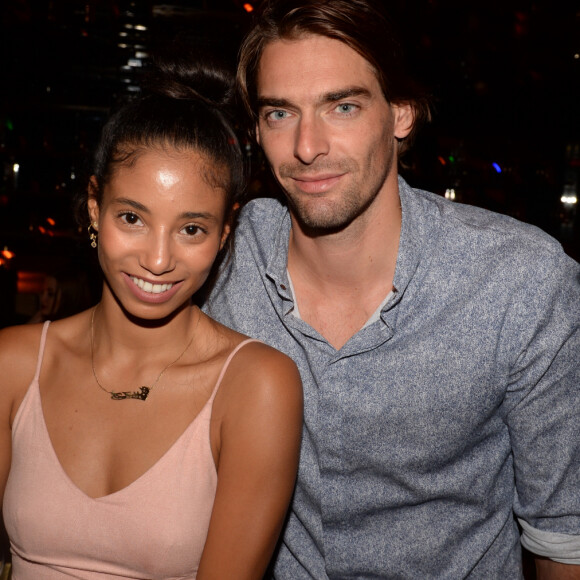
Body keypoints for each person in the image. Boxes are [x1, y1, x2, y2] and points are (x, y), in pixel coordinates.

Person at [204, 0, 580, 577]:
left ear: (401, 114)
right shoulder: (223, 253)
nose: (307, 147)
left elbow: (561, 537)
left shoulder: (519, 281)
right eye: (280, 114)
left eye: (343, 107)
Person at [0, 47, 303, 579]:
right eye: (132, 218)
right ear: (94, 208)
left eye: (191, 229)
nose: (158, 260)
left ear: (224, 234)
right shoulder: (12, 364)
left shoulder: (257, 386)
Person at [27, 266, 94, 323]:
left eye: (50, 294)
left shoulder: (71, 327)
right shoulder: (39, 319)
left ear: (67, 297)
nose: (43, 299)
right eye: (42, 292)